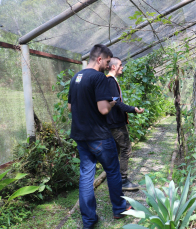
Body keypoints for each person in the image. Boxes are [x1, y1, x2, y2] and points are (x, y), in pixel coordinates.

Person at [68, 45, 131, 229]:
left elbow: (71, 108)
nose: (108, 65)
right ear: (99, 59)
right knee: (112, 170)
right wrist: (111, 104)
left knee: (86, 176)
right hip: (100, 136)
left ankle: (88, 219)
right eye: (107, 61)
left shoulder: (75, 78)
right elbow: (103, 109)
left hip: (81, 136)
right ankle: (119, 208)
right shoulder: (98, 78)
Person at [106, 57, 144, 191]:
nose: (122, 67)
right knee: (126, 149)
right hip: (116, 123)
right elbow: (117, 104)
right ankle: (123, 180)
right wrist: (134, 109)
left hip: (114, 122)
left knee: (116, 150)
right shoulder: (110, 81)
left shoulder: (111, 81)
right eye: (120, 65)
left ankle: (116, 179)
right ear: (113, 67)